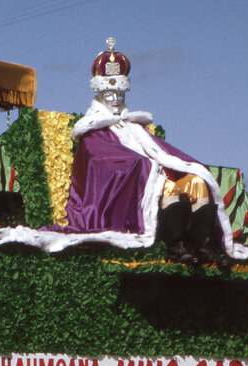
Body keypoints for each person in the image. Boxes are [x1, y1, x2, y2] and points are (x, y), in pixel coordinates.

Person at [64, 38, 231, 266]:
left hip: (157, 174)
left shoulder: (135, 126)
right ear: (100, 94)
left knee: (197, 182)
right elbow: (101, 162)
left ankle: (203, 246)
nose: (116, 100)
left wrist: (182, 166)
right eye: (110, 94)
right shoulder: (93, 129)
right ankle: (177, 246)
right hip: (139, 183)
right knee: (170, 186)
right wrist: (147, 167)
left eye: (120, 94)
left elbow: (163, 151)